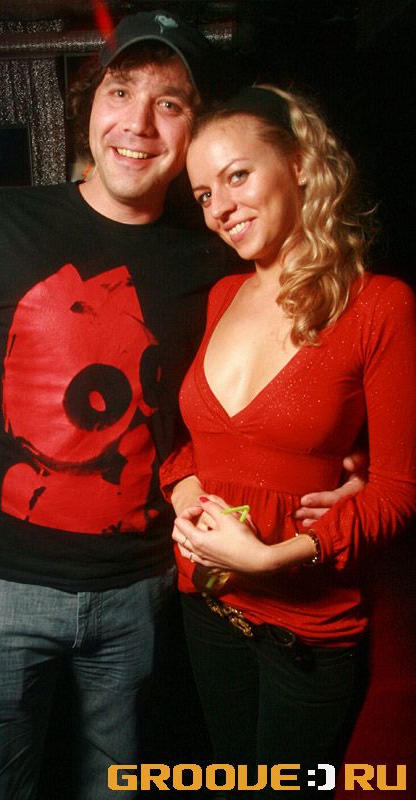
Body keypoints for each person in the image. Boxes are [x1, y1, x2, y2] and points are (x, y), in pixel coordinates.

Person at [0, 12, 362, 798]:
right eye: (120, 92)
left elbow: (283, 364)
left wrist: (345, 457)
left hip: (139, 592)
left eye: (168, 103)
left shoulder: (214, 252)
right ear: (91, 105)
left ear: (193, 131)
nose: (137, 123)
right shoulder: (1, 220)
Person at [160, 85, 416, 797]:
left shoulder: (379, 306)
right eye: (203, 194)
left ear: (300, 163)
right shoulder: (222, 296)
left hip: (306, 629)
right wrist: (184, 489)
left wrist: (274, 556)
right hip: (207, 604)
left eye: (237, 176)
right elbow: (200, 442)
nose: (219, 208)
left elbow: (399, 492)